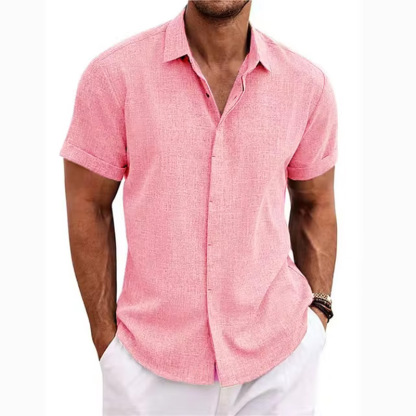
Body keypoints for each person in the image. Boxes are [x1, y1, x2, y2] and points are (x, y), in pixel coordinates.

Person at [59, 1, 338, 414]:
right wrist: (107, 345)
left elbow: (315, 204)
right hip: (148, 369)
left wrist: (319, 316)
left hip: (279, 364)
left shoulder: (306, 86)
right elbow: (89, 203)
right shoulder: (114, 76)